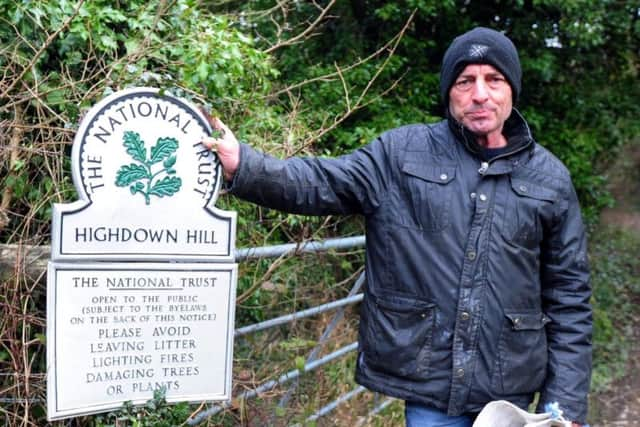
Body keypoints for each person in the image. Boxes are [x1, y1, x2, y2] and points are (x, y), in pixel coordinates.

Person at [201, 27, 592, 427]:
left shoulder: (550, 179)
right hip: (432, 393)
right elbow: (320, 181)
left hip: (513, 395)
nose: (479, 94)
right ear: (448, 92)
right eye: (465, 81)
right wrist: (244, 165)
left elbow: (570, 300)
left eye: (494, 80)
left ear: (512, 90)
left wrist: (564, 407)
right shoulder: (401, 154)